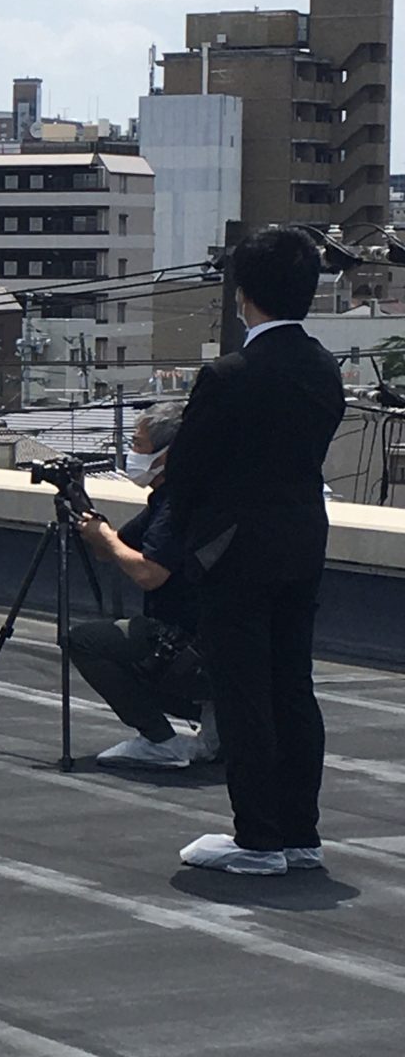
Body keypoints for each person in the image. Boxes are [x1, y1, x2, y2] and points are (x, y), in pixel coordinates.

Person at [165, 225, 346, 875]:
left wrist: (181, 537)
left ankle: (258, 839)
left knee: (243, 691)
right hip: (302, 541)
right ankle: (299, 833)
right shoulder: (324, 367)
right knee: (293, 686)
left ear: (243, 294)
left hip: (235, 551)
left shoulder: (228, 376)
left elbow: (185, 473)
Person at [70, 400, 218, 771]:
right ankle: (218, 723)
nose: (132, 453)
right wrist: (89, 520)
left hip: (188, 646)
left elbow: (149, 573)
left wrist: (105, 537)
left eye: (138, 444)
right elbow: (114, 548)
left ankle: (160, 741)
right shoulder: (186, 495)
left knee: (83, 641)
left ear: (166, 455)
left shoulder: (175, 506)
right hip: (216, 641)